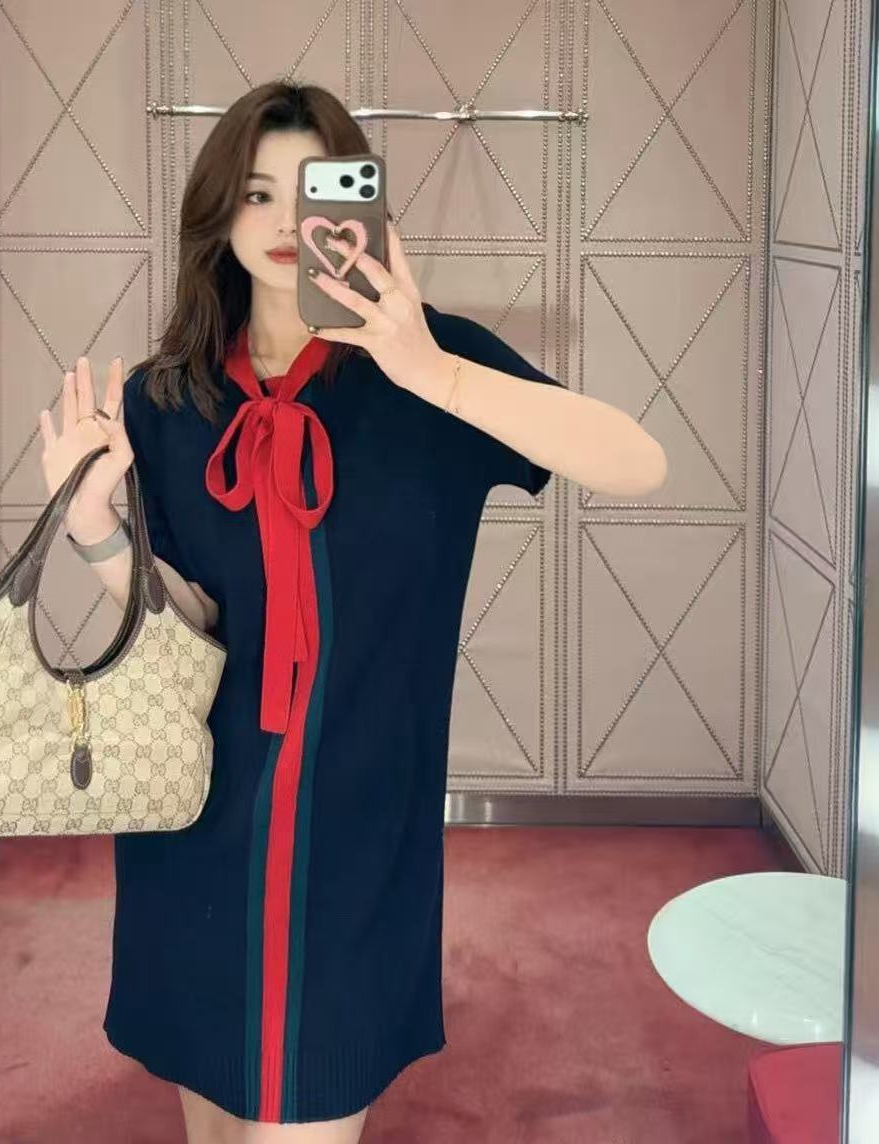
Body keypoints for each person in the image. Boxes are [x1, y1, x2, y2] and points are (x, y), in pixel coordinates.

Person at [38, 81, 664, 1144]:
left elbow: (637, 462)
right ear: (218, 214)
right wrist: (98, 531)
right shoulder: (166, 398)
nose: (286, 222)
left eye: (314, 190)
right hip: (193, 831)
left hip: (360, 835)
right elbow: (189, 623)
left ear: (360, 206)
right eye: (256, 193)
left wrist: (432, 371)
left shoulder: (433, 371)